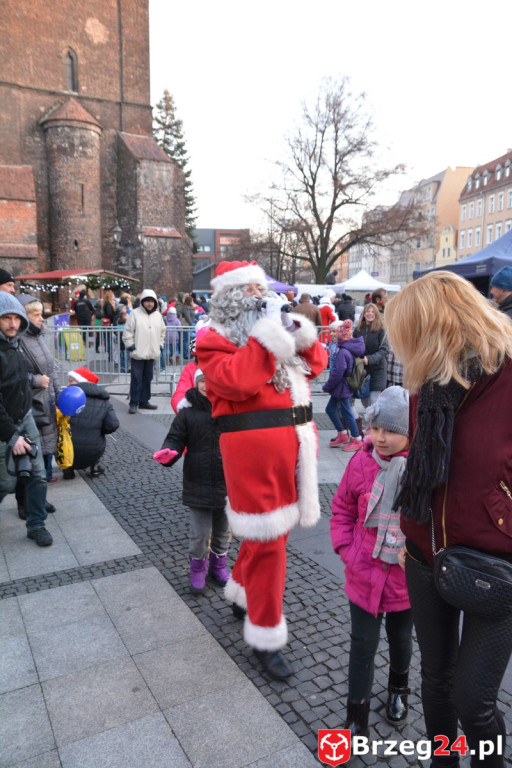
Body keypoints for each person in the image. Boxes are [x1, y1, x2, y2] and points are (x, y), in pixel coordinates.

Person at [385, 270, 512, 768]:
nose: (404, 349)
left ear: (436, 327)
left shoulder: (506, 376)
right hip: (422, 552)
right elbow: (422, 462)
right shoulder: (428, 381)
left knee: (473, 700)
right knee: (434, 683)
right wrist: (407, 530)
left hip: (494, 558)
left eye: (410, 335)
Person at [196, 260, 327, 679]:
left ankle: (238, 592)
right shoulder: (213, 338)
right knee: (269, 540)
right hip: (251, 452)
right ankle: (266, 635)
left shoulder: (274, 330)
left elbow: (318, 362)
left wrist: (295, 328)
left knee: (270, 532)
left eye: (261, 287)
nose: (259, 295)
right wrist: (267, 335)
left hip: (296, 444)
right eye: (249, 289)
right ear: (230, 297)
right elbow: (237, 382)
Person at [330, 386, 412, 736]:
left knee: (401, 640)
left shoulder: (419, 470)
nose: (381, 437)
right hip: (363, 573)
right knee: (362, 644)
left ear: (410, 433)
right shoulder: (360, 462)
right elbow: (342, 509)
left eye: (391, 430)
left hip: (404, 579)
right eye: (376, 428)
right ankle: (356, 713)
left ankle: (398, 691)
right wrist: (348, 551)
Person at [154, 369, 230, 593]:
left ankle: (219, 566)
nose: (206, 385)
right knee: (200, 533)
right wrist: (170, 452)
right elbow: (176, 438)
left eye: (211, 380)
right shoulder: (187, 413)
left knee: (223, 531)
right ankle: (198, 570)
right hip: (198, 480)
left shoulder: (229, 410)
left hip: (227, 482)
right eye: (202, 381)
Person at [0, 293, 52, 546]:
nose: (12, 324)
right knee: (5, 481)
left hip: (25, 417)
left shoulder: (16, 343)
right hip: (4, 426)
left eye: (15, 318)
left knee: (38, 475)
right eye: (5, 318)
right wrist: (11, 435)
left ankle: (36, 524)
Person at [15, 295, 60, 521]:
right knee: (30, 456)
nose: (42, 318)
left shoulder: (39, 336)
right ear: (25, 316)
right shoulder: (18, 340)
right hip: (31, 405)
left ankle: (40, 497)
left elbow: (51, 372)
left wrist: (60, 396)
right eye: (36, 314)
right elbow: (13, 375)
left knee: (44, 454)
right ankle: (24, 502)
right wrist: (34, 381)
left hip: (46, 403)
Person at [63, 367, 119, 478]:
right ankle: (95, 467)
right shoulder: (104, 401)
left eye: (71, 380)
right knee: (96, 434)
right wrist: (98, 429)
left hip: (67, 450)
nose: (67, 384)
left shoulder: (66, 397)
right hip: (94, 451)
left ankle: (68, 469)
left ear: (80, 381)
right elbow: (112, 425)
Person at [322, 319, 365, 450]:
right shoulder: (347, 348)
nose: (334, 335)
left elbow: (338, 372)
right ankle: (343, 434)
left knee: (346, 412)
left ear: (342, 336)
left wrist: (327, 386)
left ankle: (356, 439)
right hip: (341, 387)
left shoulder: (343, 352)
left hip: (342, 387)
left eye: (337, 333)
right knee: (331, 409)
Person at [122, 288, 166, 414]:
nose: (149, 304)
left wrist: (160, 345)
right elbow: (127, 332)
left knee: (148, 378)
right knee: (136, 378)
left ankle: (144, 401)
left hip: (151, 353)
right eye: (147, 301)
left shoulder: (158, 316)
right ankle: (134, 402)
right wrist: (131, 346)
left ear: (155, 303)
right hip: (138, 353)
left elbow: (163, 332)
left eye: (151, 301)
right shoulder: (135, 314)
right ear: (142, 302)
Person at [353, 302, 388, 412]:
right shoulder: (358, 330)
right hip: (363, 370)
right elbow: (353, 347)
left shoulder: (381, 330)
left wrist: (369, 359)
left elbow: (384, 349)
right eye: (367, 311)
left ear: (376, 314)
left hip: (378, 369)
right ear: (363, 314)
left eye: (372, 312)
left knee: (374, 399)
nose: (370, 314)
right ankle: (372, 422)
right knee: (364, 399)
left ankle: (375, 426)